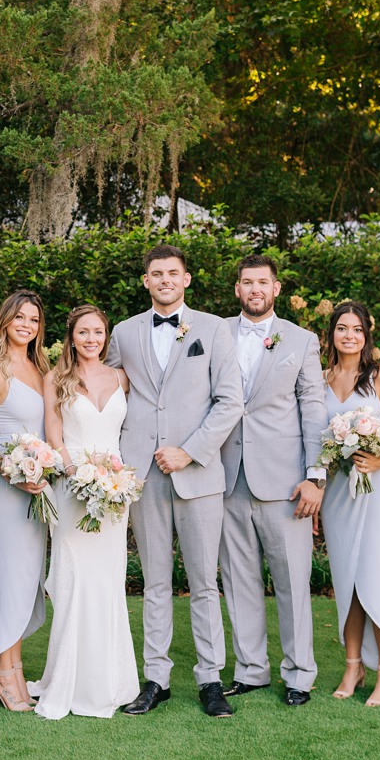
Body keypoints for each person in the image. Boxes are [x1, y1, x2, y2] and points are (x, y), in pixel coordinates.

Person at [107, 245, 243, 719]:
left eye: (173, 273)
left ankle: (210, 680)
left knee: (205, 582)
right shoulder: (123, 333)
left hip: (198, 474)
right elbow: (106, 393)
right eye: (155, 274)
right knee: (154, 583)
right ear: (145, 281)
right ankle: (156, 679)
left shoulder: (214, 329)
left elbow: (230, 401)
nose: (164, 279)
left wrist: (190, 450)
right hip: (142, 474)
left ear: (186, 279)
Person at [218, 256, 327, 707]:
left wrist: (315, 474)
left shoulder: (301, 341)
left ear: (276, 289)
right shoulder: (214, 332)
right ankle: (251, 669)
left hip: (285, 482)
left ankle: (300, 674)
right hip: (224, 476)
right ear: (238, 289)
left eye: (263, 282)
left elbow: (313, 405)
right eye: (247, 282)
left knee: (291, 580)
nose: (255, 289)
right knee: (238, 578)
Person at [34, 305, 140, 719]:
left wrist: (113, 476)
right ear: (71, 337)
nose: (91, 339)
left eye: (97, 332)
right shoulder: (56, 379)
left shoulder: (120, 378)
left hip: (115, 488)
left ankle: (110, 681)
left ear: (106, 337)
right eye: (83, 332)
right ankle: (67, 680)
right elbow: (53, 432)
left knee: (108, 581)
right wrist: (75, 471)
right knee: (73, 580)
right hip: (73, 484)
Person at [319, 300, 380, 707]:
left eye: (356, 328)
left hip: (378, 490)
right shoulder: (320, 379)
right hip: (338, 492)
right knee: (346, 581)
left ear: (366, 334)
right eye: (342, 328)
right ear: (332, 334)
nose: (349, 335)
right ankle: (353, 665)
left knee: (374, 574)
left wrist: (379, 458)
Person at [0, 291, 52, 712]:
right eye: (19, 317)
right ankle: (4, 675)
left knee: (28, 579)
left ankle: (15, 669)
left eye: (34, 320)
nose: (26, 324)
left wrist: (41, 472)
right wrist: (15, 473)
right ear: (5, 321)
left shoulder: (40, 367)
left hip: (36, 489)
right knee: (11, 577)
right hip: (6, 489)